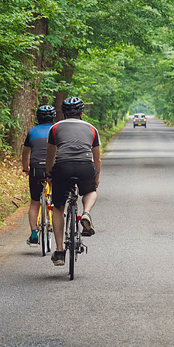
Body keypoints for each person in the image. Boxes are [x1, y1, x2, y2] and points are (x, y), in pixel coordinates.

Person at [45, 96, 100, 266]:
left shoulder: (55, 128)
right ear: (82, 113)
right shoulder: (92, 129)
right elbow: (96, 158)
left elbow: (50, 155)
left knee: (58, 207)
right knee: (91, 191)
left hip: (63, 167)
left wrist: (49, 174)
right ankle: (86, 213)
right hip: (85, 166)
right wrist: (96, 177)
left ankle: (60, 252)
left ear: (64, 113)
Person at [22, 105, 57, 245]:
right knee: (57, 198)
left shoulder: (32, 131)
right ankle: (55, 217)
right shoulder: (57, 129)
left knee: (35, 202)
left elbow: (25, 153)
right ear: (53, 117)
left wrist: (26, 168)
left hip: (36, 169)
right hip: (53, 168)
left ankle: (34, 234)